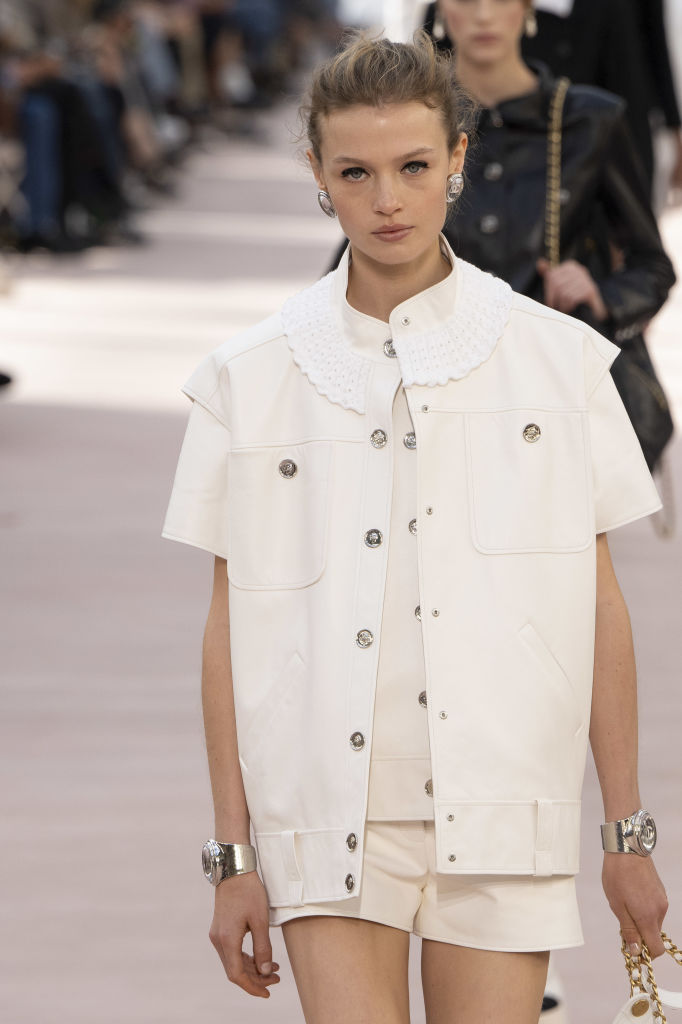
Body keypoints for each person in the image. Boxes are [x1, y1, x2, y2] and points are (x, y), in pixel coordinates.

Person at [162, 32, 669, 1024]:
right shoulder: (248, 380)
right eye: (355, 172)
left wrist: (626, 834)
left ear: (457, 161)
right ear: (317, 173)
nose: (386, 199)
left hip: (506, 805)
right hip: (325, 814)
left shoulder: (557, 365)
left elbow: (596, 605)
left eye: (412, 168)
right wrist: (232, 856)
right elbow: (232, 628)